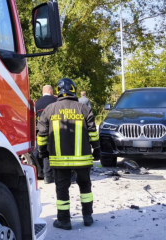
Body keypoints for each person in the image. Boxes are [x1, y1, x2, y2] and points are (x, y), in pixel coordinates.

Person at [37, 78, 100, 230]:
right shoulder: (84, 108)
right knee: (85, 186)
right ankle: (87, 217)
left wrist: (42, 151)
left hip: (60, 160)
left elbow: (42, 135)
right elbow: (93, 132)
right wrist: (96, 148)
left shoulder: (50, 109)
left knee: (62, 189)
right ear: (74, 90)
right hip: (82, 159)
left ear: (58, 92)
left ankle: (64, 221)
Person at [34, 85, 57, 183]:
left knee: (44, 152)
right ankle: (54, 175)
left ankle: (46, 176)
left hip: (41, 130)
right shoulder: (55, 101)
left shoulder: (37, 103)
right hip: (54, 129)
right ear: (51, 91)